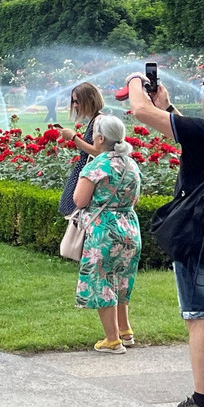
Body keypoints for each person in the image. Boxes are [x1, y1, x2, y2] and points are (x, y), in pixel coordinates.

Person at [126, 71, 204, 407]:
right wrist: (168, 108)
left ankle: (202, 402)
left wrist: (135, 81)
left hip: (202, 236)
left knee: (199, 315)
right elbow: (197, 140)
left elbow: (140, 112)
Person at [70, 114, 141, 354]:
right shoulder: (131, 164)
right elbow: (136, 199)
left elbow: (79, 200)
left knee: (102, 281)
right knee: (121, 280)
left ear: (100, 138)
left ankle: (112, 340)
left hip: (104, 231)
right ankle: (125, 331)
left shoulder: (97, 165)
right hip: (130, 228)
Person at [58, 82, 105, 217]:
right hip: (84, 171)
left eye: (77, 101)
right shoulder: (94, 120)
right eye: (74, 101)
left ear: (90, 99)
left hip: (89, 173)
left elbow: (98, 152)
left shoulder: (99, 121)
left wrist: (74, 137)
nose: (75, 105)